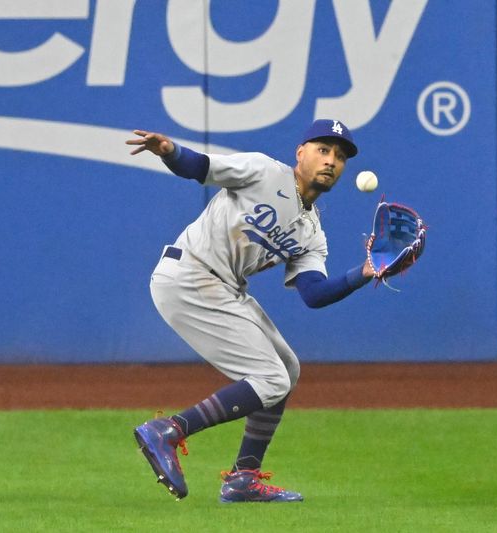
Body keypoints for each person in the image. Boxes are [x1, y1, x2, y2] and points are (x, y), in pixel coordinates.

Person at [127, 119, 377, 503]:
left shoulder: (312, 232)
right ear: (301, 153)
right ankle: (170, 430)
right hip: (189, 275)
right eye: (323, 150)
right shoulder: (263, 171)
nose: (331, 161)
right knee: (271, 379)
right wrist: (169, 152)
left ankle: (243, 478)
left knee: (287, 370)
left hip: (223, 287)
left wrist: (364, 272)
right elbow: (200, 167)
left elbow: (314, 294)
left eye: (340, 156)